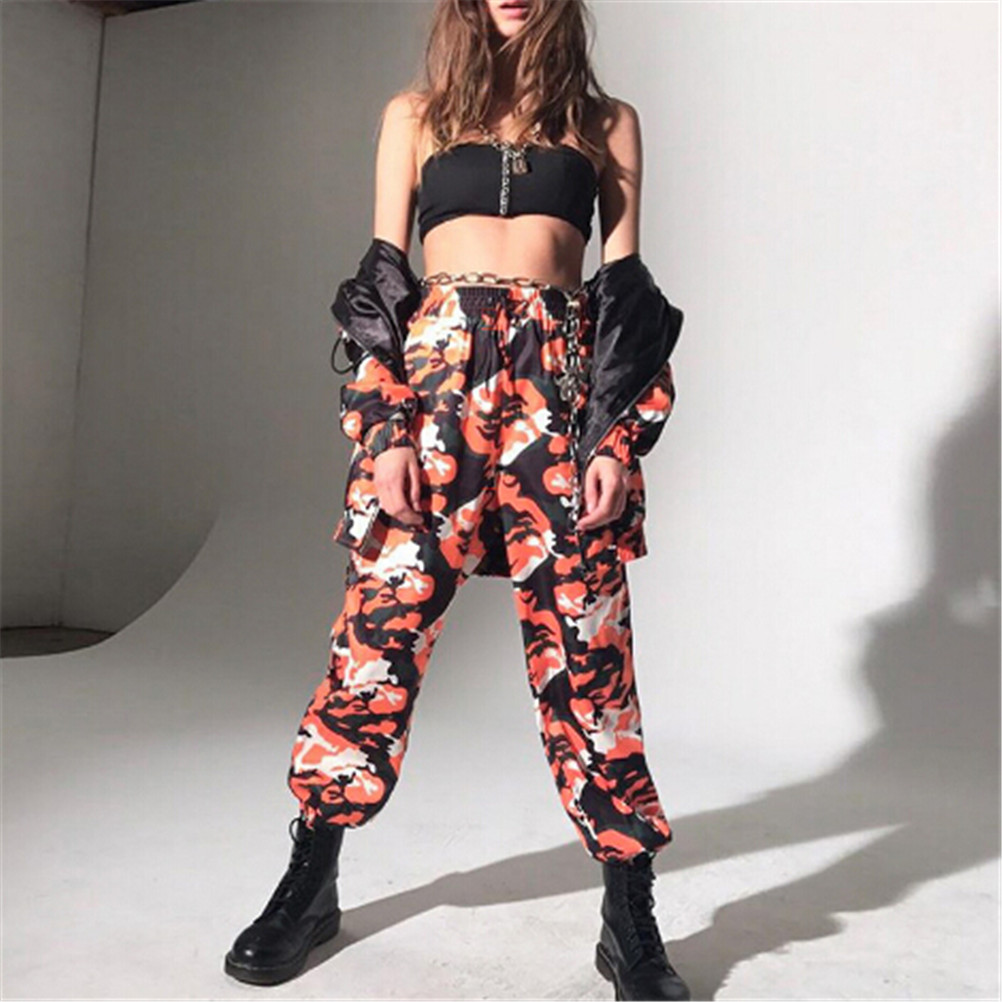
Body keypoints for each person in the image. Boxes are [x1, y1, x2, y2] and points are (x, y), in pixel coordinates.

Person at [224, 1, 689, 998]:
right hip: (435, 392)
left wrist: (614, 437)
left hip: (558, 397)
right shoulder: (417, 114)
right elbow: (382, 282)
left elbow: (625, 291)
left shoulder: (606, 122)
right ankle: (311, 878)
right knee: (376, 635)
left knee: (589, 648)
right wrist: (386, 429)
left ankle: (628, 906)